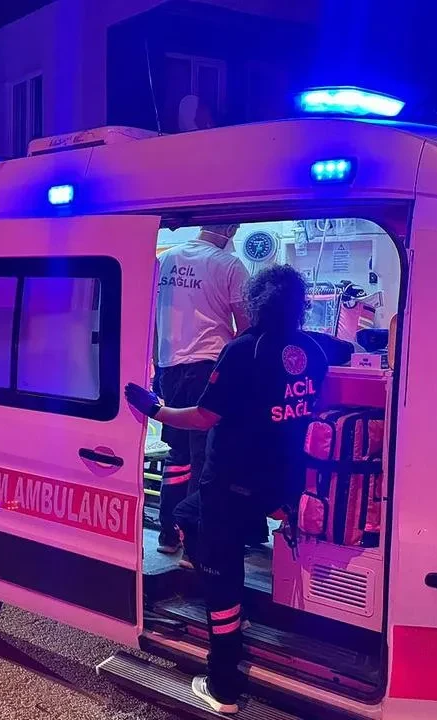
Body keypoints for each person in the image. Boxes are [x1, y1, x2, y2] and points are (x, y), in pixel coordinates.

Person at [126, 265, 328, 714]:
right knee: (187, 517)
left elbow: (204, 417)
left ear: (255, 303)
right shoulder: (313, 351)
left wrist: (156, 410)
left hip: (230, 482)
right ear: (300, 305)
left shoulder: (242, 350)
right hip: (278, 484)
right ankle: (230, 592)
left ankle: (222, 686)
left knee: (221, 576)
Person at [153, 225, 250, 554]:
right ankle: (195, 541)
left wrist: (157, 362)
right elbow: (246, 329)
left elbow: (154, 317)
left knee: (177, 454)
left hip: (169, 365)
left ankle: (169, 534)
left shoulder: (166, 259)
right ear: (229, 228)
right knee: (203, 457)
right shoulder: (229, 265)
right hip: (209, 367)